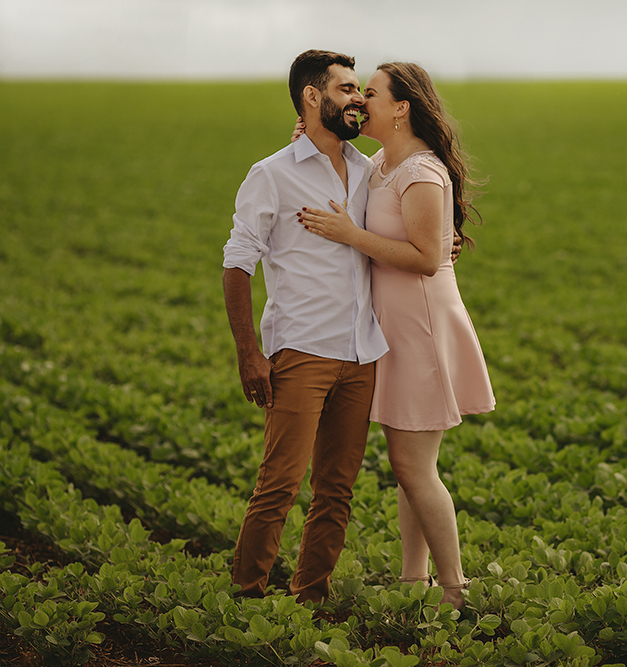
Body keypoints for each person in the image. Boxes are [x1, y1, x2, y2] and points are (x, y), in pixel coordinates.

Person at [296, 61, 495, 610]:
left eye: (373, 93)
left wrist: (350, 235)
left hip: (422, 329)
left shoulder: (421, 172)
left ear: (402, 108)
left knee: (413, 465)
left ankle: (454, 589)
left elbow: (430, 259)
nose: (361, 100)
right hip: (397, 329)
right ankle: (414, 580)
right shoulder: (383, 162)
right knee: (407, 463)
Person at [222, 49, 388, 605]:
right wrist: (250, 353)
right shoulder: (270, 175)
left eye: (360, 89)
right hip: (301, 350)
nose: (358, 99)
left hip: (362, 354)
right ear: (312, 97)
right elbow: (237, 263)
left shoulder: (370, 171)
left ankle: (308, 601)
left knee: (336, 492)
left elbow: (405, 229)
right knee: (278, 487)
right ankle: (247, 604)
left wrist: (448, 240)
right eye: (346, 89)